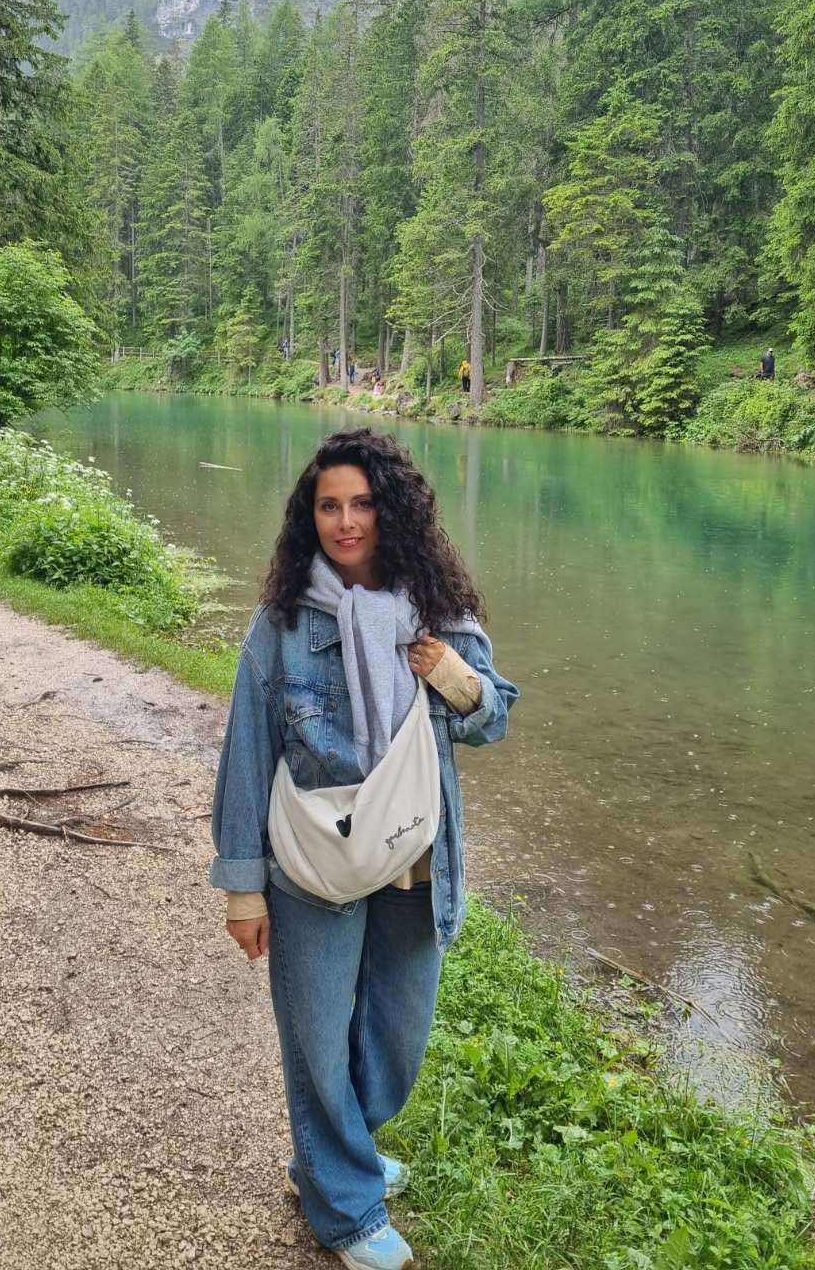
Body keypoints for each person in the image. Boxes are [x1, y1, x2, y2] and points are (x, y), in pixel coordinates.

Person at [210, 428, 517, 1269]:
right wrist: (243, 886)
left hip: (413, 859)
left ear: (392, 511)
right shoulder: (280, 623)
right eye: (328, 506)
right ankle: (344, 1209)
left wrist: (453, 678)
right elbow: (247, 750)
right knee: (315, 1039)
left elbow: (493, 717)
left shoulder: (435, 610)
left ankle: (329, 1150)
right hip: (313, 867)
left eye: (362, 505)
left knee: (396, 1035)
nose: (346, 523)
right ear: (309, 518)